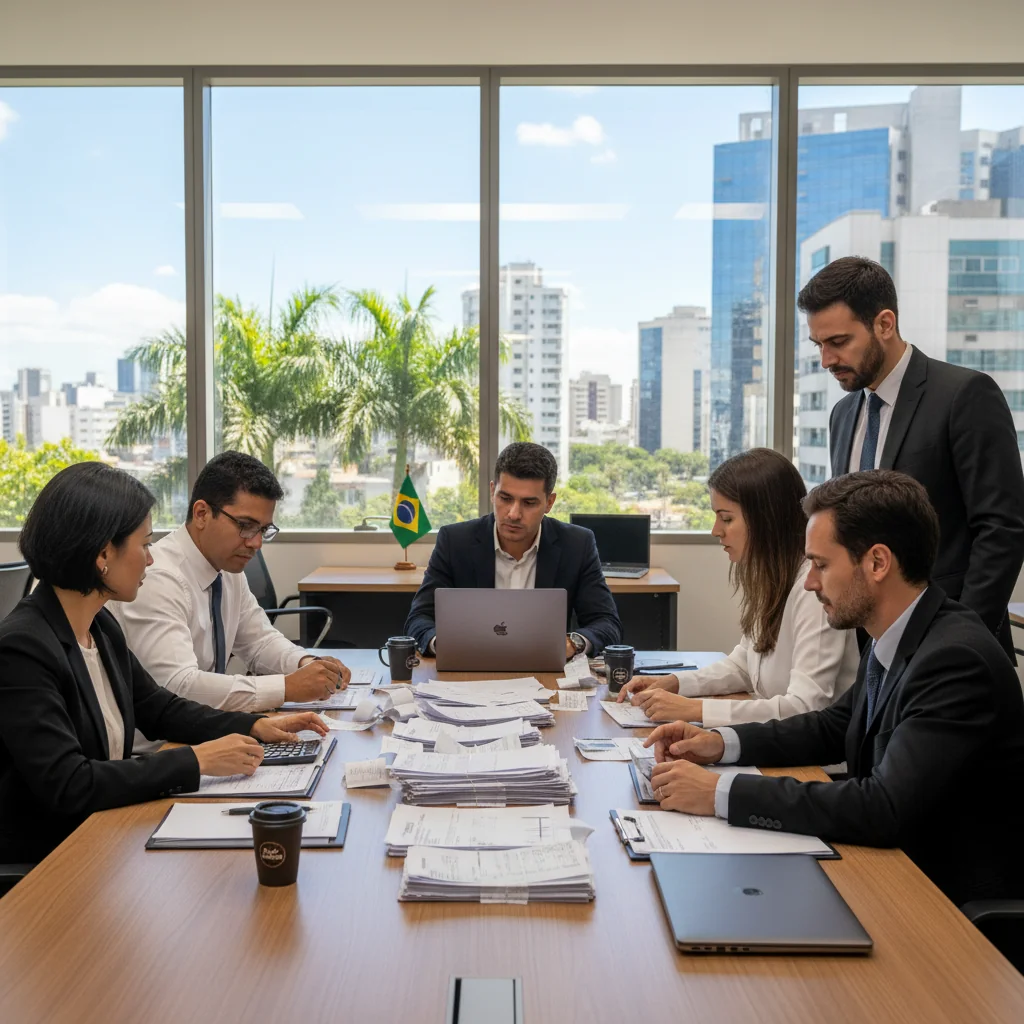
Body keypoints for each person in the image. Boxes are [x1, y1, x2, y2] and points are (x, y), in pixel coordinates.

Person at [643, 470, 1024, 907]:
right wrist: (718, 744)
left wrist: (720, 793)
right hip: (893, 869)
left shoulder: (955, 660)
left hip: (945, 901)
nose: (809, 582)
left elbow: (884, 807)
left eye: (821, 565)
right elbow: (832, 726)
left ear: (877, 563)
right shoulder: (901, 635)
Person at [0, 463, 328, 865]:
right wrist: (195, 760)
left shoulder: (99, 624)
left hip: (105, 832)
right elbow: (69, 783)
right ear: (103, 554)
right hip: (53, 858)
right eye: (145, 544)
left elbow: (158, 708)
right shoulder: (23, 648)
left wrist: (254, 726)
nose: (151, 560)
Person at [800, 255, 1024, 659]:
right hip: (870, 651)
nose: (826, 361)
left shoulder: (964, 395)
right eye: (819, 345)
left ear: (885, 324)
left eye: (838, 342)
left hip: (953, 647)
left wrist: (959, 638)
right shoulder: (842, 415)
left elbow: (1002, 530)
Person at [115, 452, 350, 753]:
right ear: (201, 514)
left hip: (208, 735)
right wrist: (288, 688)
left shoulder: (226, 568)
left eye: (263, 530)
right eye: (246, 525)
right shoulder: (157, 577)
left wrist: (306, 665)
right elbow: (178, 686)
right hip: (158, 752)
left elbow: (259, 641)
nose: (256, 543)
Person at [617, 448, 858, 727]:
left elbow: (804, 707)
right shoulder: (770, 578)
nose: (715, 530)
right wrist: (673, 683)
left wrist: (696, 710)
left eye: (727, 518)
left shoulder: (812, 591)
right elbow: (742, 666)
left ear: (766, 520)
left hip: (816, 763)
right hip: (777, 742)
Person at [405, 442, 621, 658]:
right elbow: (419, 618)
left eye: (529, 503)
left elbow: (607, 624)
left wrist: (572, 643)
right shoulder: (454, 541)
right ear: (492, 491)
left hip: (544, 674)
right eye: (505, 499)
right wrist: (443, 643)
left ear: (549, 503)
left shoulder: (577, 544)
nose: (514, 514)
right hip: (470, 672)